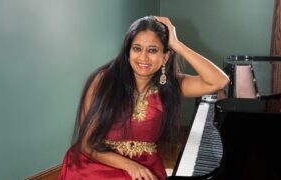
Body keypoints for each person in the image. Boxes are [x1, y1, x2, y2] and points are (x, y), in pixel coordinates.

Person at [58, 16, 229, 180]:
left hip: (145, 166)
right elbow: (87, 144)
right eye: (137, 48)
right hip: (97, 163)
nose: (143, 57)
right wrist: (130, 166)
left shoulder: (171, 85)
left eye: (153, 50)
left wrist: (177, 45)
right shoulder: (103, 81)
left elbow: (219, 81)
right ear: (128, 51)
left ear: (165, 57)